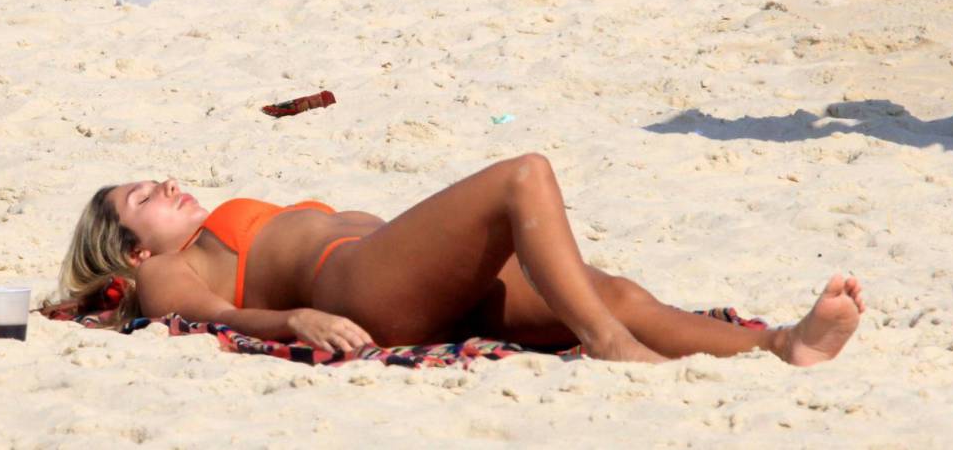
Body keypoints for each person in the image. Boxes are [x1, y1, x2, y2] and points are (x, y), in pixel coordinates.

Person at [59, 153, 865, 364]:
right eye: (144, 196)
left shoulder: (195, 235)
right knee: (523, 179)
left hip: (402, 279)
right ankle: (612, 347)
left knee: (609, 288)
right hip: (361, 286)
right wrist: (295, 317)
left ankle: (781, 344)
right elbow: (220, 318)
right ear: (131, 246)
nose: (166, 185)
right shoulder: (165, 269)